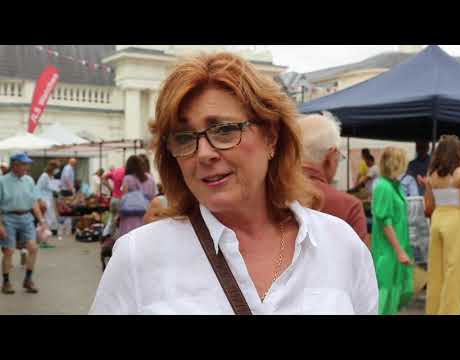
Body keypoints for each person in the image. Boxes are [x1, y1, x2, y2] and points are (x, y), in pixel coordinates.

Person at [89, 51, 378, 315]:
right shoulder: (138, 257)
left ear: (271, 137)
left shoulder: (340, 246)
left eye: (225, 130)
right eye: (185, 138)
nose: (203, 153)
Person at [424, 135, 460, 314]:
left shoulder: (431, 175)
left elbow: (429, 208)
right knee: (455, 274)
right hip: (457, 222)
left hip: (438, 220)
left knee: (436, 274)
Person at [299, 112, 369, 248]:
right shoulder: (349, 207)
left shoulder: (267, 197)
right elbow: (360, 267)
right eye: (339, 158)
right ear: (331, 156)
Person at [371, 147, 414, 315]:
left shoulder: (395, 185)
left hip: (397, 247)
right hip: (388, 250)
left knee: (395, 291)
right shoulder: (384, 187)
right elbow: (384, 222)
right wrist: (399, 250)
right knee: (386, 292)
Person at [0, 153, 47, 294]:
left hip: (26, 217)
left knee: (33, 248)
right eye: (24, 164)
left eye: (27, 164)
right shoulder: (2, 181)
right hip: (8, 217)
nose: (27, 167)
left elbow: (34, 203)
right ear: (15, 165)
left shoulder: (29, 180)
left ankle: (28, 280)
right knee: (9, 250)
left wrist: (41, 220)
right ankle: (6, 282)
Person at [118, 155, 156, 237]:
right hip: (145, 214)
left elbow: (124, 198)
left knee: (129, 239)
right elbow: (153, 197)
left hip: (130, 216)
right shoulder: (150, 178)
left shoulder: (127, 178)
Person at [36, 160, 60, 247]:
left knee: (49, 219)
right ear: (53, 168)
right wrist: (40, 201)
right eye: (57, 168)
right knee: (46, 220)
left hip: (49, 199)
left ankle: (43, 240)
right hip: (44, 200)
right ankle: (42, 241)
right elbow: (37, 188)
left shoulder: (51, 176)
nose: (58, 170)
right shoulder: (44, 176)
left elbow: (51, 187)